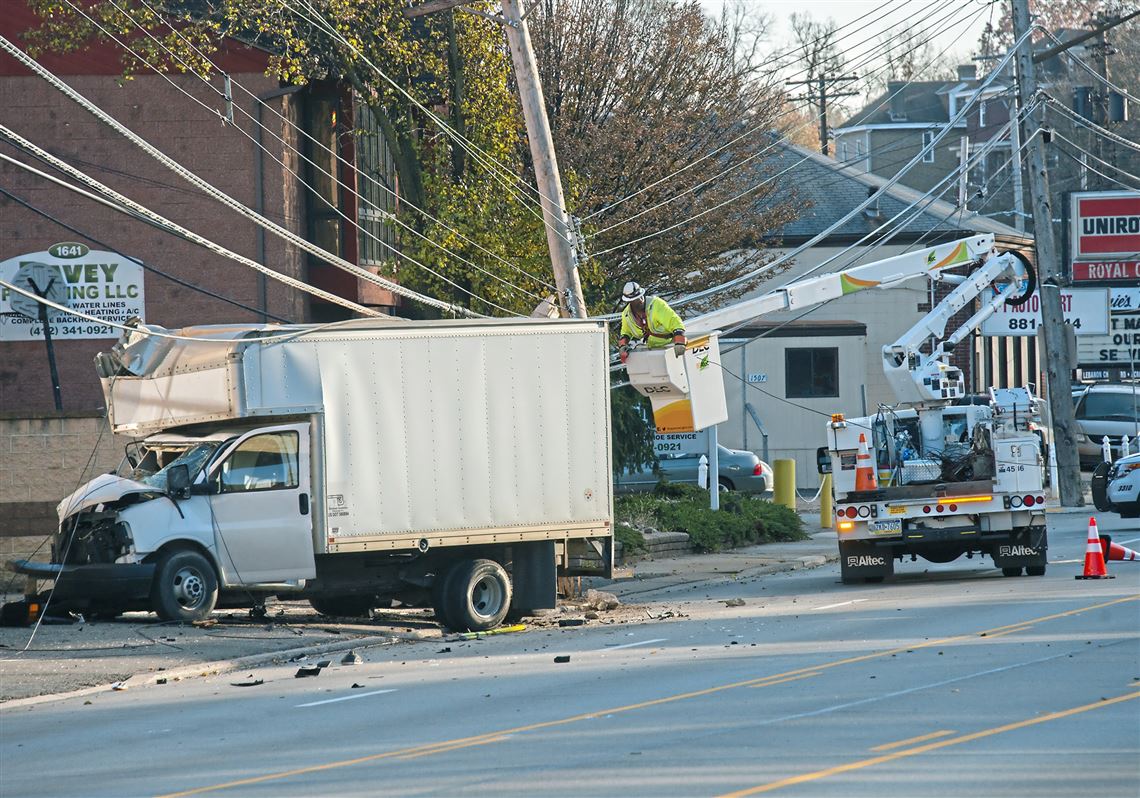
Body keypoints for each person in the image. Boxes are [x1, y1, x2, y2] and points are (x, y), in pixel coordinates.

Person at [617, 281, 686, 364]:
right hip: (653, 350)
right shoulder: (627, 315)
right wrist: (623, 346)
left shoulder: (656, 304)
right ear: (629, 301)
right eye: (635, 299)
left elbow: (675, 322)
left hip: (670, 346)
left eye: (640, 296)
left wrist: (679, 342)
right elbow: (625, 333)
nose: (640, 300)